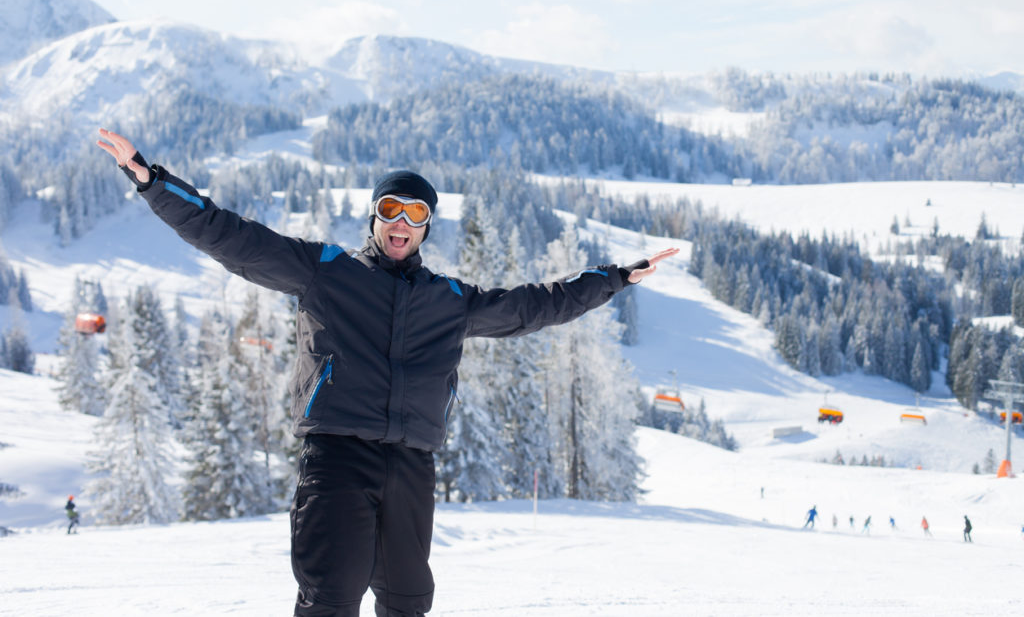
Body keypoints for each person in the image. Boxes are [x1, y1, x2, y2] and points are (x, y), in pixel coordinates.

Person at [97, 129, 679, 617]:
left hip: (410, 464)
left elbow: (537, 304)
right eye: (390, 209)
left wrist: (614, 279)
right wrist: (153, 183)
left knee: (408, 599)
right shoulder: (326, 272)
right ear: (374, 216)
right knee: (331, 596)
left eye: (415, 213)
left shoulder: (451, 299)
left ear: (427, 226)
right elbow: (229, 235)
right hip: (337, 456)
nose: (400, 221)